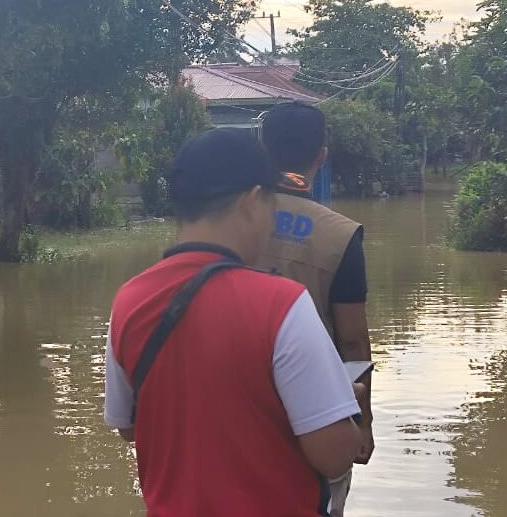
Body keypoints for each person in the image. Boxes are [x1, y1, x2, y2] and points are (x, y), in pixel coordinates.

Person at [104, 128, 363, 516]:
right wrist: (344, 407)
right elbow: (334, 457)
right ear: (253, 201)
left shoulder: (129, 301)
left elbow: (130, 428)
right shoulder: (283, 304)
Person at [257, 102, 374, 517]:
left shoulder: (228, 220)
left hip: (237, 404)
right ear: (322, 155)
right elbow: (353, 339)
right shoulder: (340, 235)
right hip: (317, 411)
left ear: (262, 149)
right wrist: (363, 421)